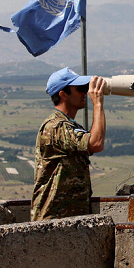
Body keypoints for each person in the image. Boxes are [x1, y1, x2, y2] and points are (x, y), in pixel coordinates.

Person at [31, 67, 106, 221]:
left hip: (70, 220)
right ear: (63, 94)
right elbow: (96, 143)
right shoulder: (54, 127)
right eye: (80, 89)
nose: (84, 93)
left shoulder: (70, 126)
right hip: (52, 222)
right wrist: (97, 104)